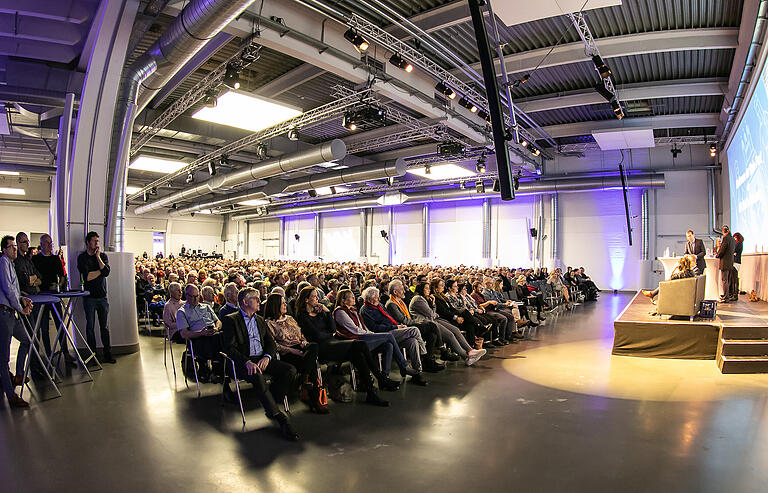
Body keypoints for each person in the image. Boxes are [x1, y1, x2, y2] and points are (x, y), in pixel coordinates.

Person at [221, 288, 299, 441]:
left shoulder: (260, 319)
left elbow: (271, 343)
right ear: (244, 302)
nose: (259, 300)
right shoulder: (231, 320)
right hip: (244, 361)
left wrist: (268, 357)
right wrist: (247, 362)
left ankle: (272, 402)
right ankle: (279, 417)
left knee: (290, 370)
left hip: (262, 359)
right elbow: (228, 348)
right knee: (258, 377)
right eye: (255, 298)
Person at [294, 286, 392, 404]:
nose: (317, 299)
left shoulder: (320, 313)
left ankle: (371, 393)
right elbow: (318, 336)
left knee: (359, 356)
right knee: (359, 345)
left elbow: (333, 329)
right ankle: (381, 378)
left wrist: (327, 312)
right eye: (314, 296)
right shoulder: (302, 316)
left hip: (333, 343)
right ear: (306, 300)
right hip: (322, 348)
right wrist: (328, 333)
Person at [262, 293, 328, 414]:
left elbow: (301, 335)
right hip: (287, 354)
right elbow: (274, 345)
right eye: (282, 303)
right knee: (312, 364)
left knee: (313, 346)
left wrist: (303, 342)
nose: (285, 304)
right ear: (275, 306)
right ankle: (314, 398)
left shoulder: (290, 318)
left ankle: (304, 379)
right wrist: (293, 350)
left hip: (301, 349)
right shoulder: (269, 323)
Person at [332, 289, 409, 386]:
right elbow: (355, 330)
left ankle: (384, 378)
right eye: (351, 297)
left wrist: (368, 332)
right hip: (355, 341)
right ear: (343, 300)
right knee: (389, 336)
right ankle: (403, 365)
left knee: (388, 345)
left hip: (362, 336)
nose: (354, 298)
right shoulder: (340, 312)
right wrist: (370, 334)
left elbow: (361, 327)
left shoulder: (353, 310)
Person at [360, 286, 430, 386]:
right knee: (414, 330)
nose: (379, 299)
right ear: (369, 299)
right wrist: (396, 327)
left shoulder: (379, 305)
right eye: (376, 297)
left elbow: (390, 318)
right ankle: (424, 356)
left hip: (392, 330)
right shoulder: (365, 310)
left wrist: (398, 326)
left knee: (413, 342)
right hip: (383, 335)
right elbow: (375, 328)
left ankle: (417, 372)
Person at [409, 282, 485, 366]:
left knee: (455, 330)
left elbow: (433, 312)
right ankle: (466, 356)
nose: (428, 290)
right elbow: (431, 313)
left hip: (433, 319)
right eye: (426, 288)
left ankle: (470, 350)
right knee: (449, 335)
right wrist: (434, 306)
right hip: (426, 322)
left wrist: (433, 305)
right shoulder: (418, 299)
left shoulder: (425, 298)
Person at [32, 234, 75, 367]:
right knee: (44, 328)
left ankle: (65, 352)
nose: (49, 245)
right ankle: (48, 354)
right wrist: (39, 286)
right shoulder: (35, 259)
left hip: (55, 296)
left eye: (50, 243)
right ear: (41, 244)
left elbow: (62, 276)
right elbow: (33, 277)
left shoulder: (56, 259)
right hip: (41, 297)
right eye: (46, 243)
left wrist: (58, 285)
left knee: (60, 324)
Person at [0, 235, 32, 408]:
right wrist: (21, 308)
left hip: (11, 313)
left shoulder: (10, 264)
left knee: (27, 340)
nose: (15, 249)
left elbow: (13, 290)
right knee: (3, 358)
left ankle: (19, 374)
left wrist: (22, 300)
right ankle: (10, 395)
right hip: (5, 314)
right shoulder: (3, 263)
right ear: (4, 249)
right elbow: (7, 289)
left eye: (14, 246)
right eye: (11, 246)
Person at [385, 279, 445, 372]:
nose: (404, 291)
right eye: (401, 289)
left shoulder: (400, 302)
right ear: (395, 292)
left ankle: (428, 362)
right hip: (404, 329)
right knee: (431, 325)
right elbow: (402, 320)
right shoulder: (391, 304)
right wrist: (415, 323)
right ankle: (440, 350)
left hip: (410, 325)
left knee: (432, 336)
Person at [76, 232, 115, 364]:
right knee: (90, 327)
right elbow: (87, 277)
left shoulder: (102, 256)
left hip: (102, 297)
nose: (97, 243)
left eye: (98, 241)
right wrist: (101, 271)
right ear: (87, 242)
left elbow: (107, 272)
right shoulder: (82, 258)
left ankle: (107, 353)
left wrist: (98, 258)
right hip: (89, 297)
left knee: (104, 327)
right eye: (94, 241)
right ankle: (92, 355)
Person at [176, 284, 223, 382]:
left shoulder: (206, 307)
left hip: (214, 334)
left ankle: (215, 369)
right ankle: (215, 369)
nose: (195, 299)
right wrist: (201, 333)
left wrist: (216, 328)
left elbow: (218, 321)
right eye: (192, 296)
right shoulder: (182, 312)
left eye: (197, 296)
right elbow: (184, 334)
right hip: (197, 339)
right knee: (214, 342)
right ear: (186, 296)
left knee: (221, 338)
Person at [715, 225, 736, 303]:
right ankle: (726, 295)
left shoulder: (726, 238)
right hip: (730, 262)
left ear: (723, 231)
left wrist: (717, 255)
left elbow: (722, 250)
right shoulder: (733, 239)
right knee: (728, 280)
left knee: (724, 280)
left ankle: (726, 297)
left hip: (725, 262)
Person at [731, 232, 744, 301]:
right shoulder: (739, 244)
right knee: (734, 279)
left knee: (735, 279)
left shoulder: (739, 244)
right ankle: (734, 294)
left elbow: (734, 251)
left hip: (736, 262)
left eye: (735, 237)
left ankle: (735, 295)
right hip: (736, 262)